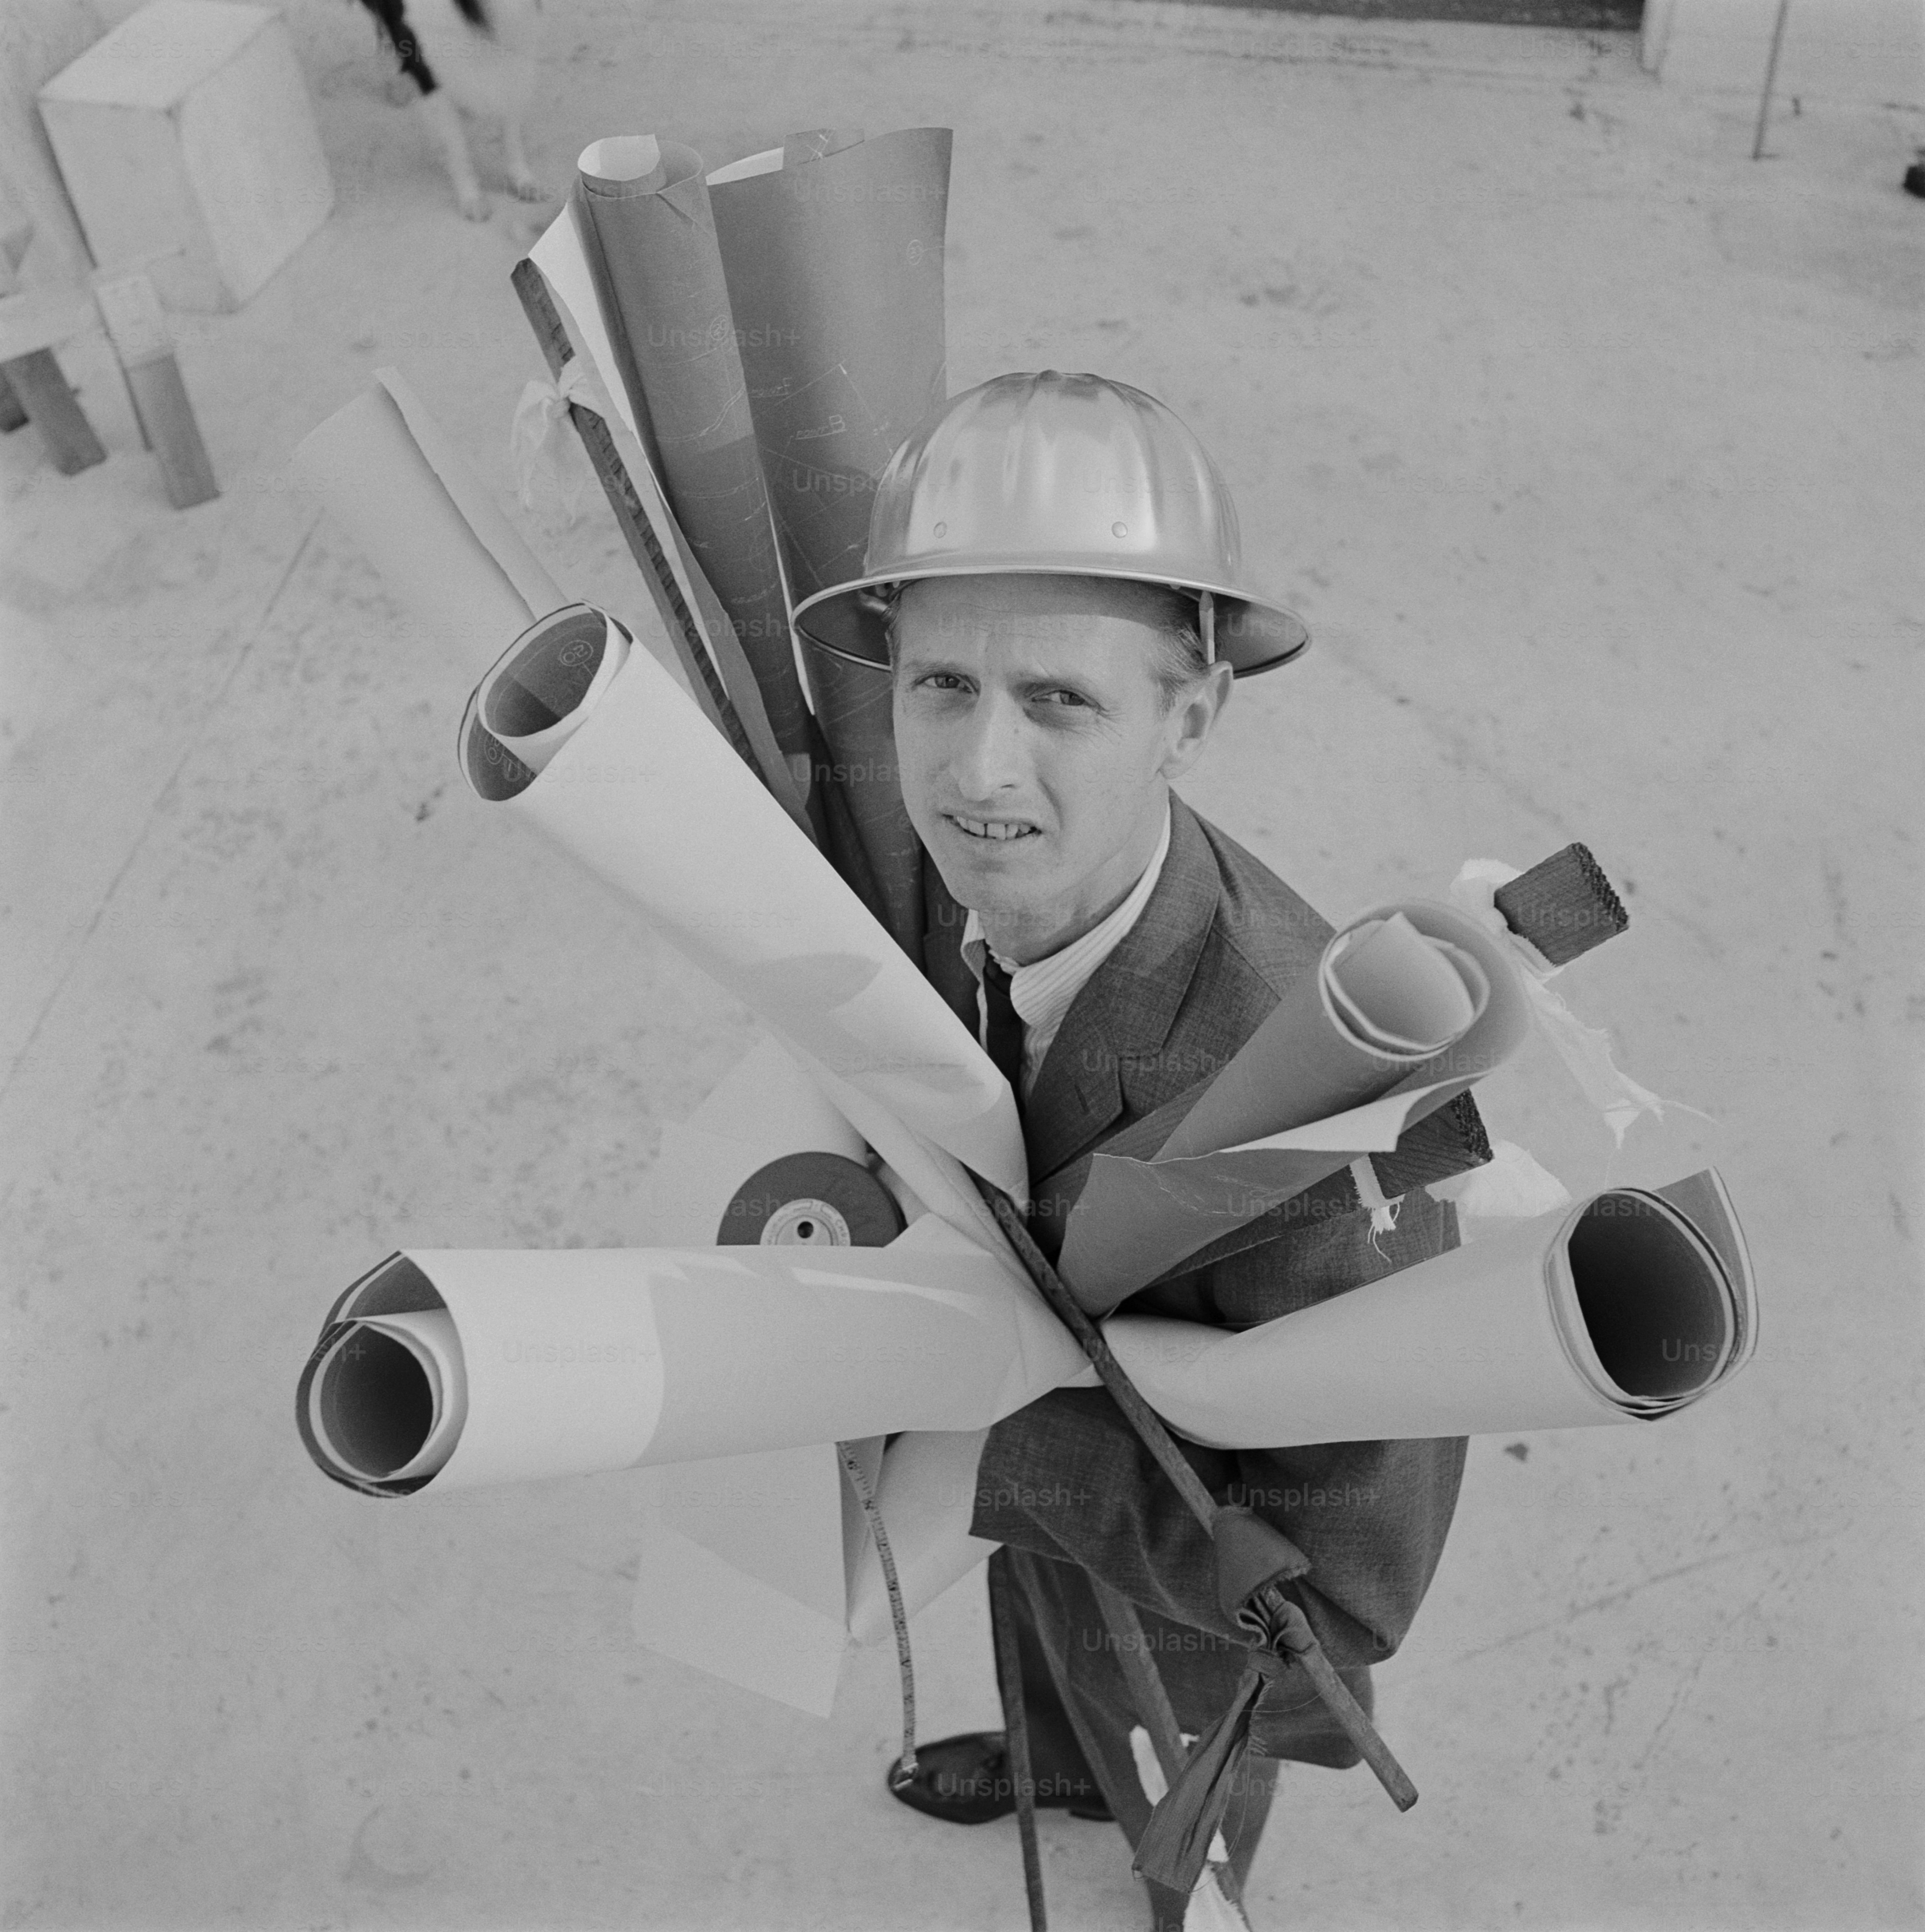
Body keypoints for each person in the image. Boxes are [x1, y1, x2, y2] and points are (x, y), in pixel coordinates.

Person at [793, 372, 1468, 1932]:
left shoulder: (1314, 1087)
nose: (976, 772)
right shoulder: (933, 882)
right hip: (1047, 1543)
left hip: (1184, 1616)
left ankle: (1172, 1875)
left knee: (1187, 1815)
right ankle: (1055, 1756)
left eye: (1058, 700)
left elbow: (1348, 1587)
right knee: (1045, 1648)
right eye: (941, 686)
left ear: (1191, 715)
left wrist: (997, 1430)